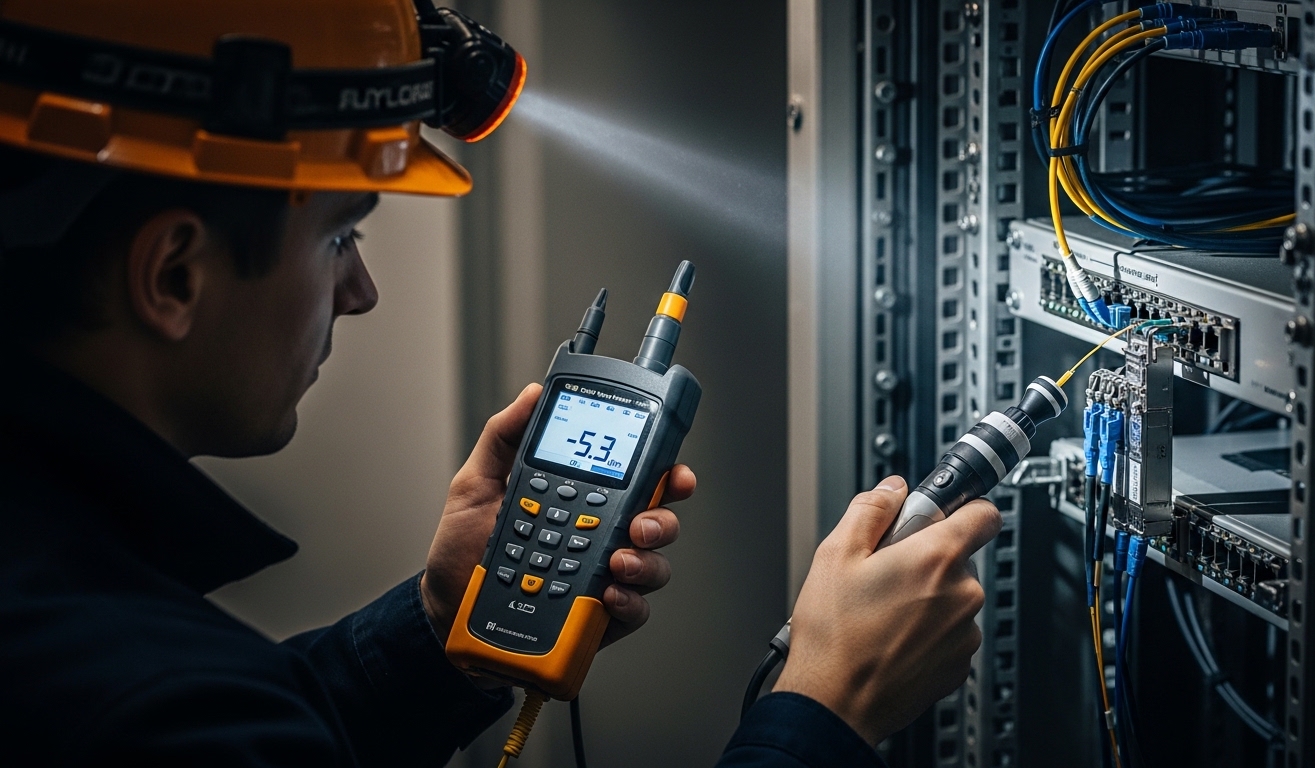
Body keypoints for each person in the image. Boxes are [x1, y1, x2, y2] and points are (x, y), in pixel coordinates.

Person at [0, 2, 1000, 766]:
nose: (361, 291)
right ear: (174, 274)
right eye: (340, 235)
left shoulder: (76, 617)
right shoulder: (154, 698)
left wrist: (441, 627)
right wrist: (824, 711)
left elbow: (264, 724)